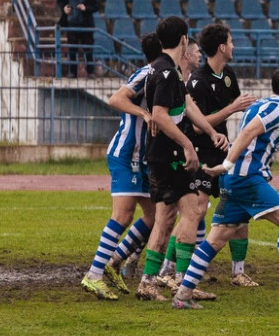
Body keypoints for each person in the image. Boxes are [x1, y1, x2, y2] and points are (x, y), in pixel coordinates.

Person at [171, 68, 279, 309]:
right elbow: (247, 133)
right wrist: (226, 164)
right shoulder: (277, 109)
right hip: (245, 178)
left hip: (234, 180)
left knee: (216, 238)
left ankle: (182, 295)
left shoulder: (264, 104)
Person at [135, 16, 228, 301]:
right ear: (184, 40)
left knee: (167, 219)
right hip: (169, 157)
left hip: (165, 156)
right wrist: (188, 144)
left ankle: (151, 282)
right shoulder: (164, 72)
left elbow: (186, 104)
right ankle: (180, 281)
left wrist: (212, 132)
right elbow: (161, 114)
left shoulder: (169, 70)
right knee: (191, 212)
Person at [79, 33, 165, 300]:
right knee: (123, 215)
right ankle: (93, 275)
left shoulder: (167, 75)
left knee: (154, 217)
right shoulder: (147, 73)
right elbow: (116, 98)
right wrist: (143, 113)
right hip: (127, 154)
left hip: (146, 158)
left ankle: (114, 261)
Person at [185, 23, 260, 286]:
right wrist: (231, 109)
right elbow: (197, 124)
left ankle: (238, 272)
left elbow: (239, 107)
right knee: (194, 211)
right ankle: (172, 269)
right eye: (231, 41)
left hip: (224, 152)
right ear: (221, 47)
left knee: (238, 210)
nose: (234, 46)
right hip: (201, 153)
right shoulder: (198, 80)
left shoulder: (228, 75)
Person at [58, 0, 102, 78]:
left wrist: (86, 8)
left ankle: (90, 72)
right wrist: (64, 8)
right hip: (72, 24)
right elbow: (60, 0)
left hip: (85, 26)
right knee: (72, 50)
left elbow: (96, 6)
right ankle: (72, 72)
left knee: (88, 49)